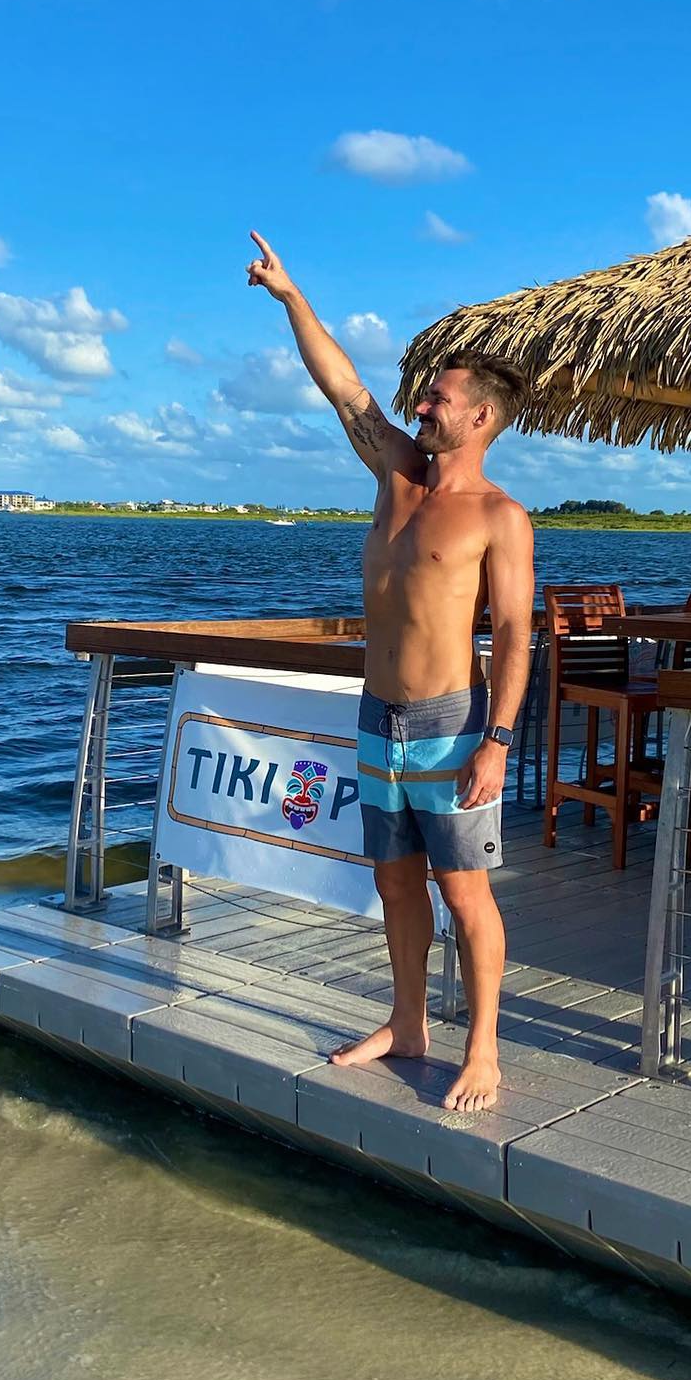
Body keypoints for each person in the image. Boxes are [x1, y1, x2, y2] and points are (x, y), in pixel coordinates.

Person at [246, 231, 535, 1112]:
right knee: (394, 881)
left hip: (452, 724)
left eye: (440, 398)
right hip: (380, 718)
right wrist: (292, 298)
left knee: (465, 891)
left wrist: (498, 740)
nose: (422, 407)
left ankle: (482, 1049)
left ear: (478, 416)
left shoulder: (501, 517)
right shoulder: (398, 476)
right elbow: (346, 391)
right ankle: (408, 1025)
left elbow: (518, 636)